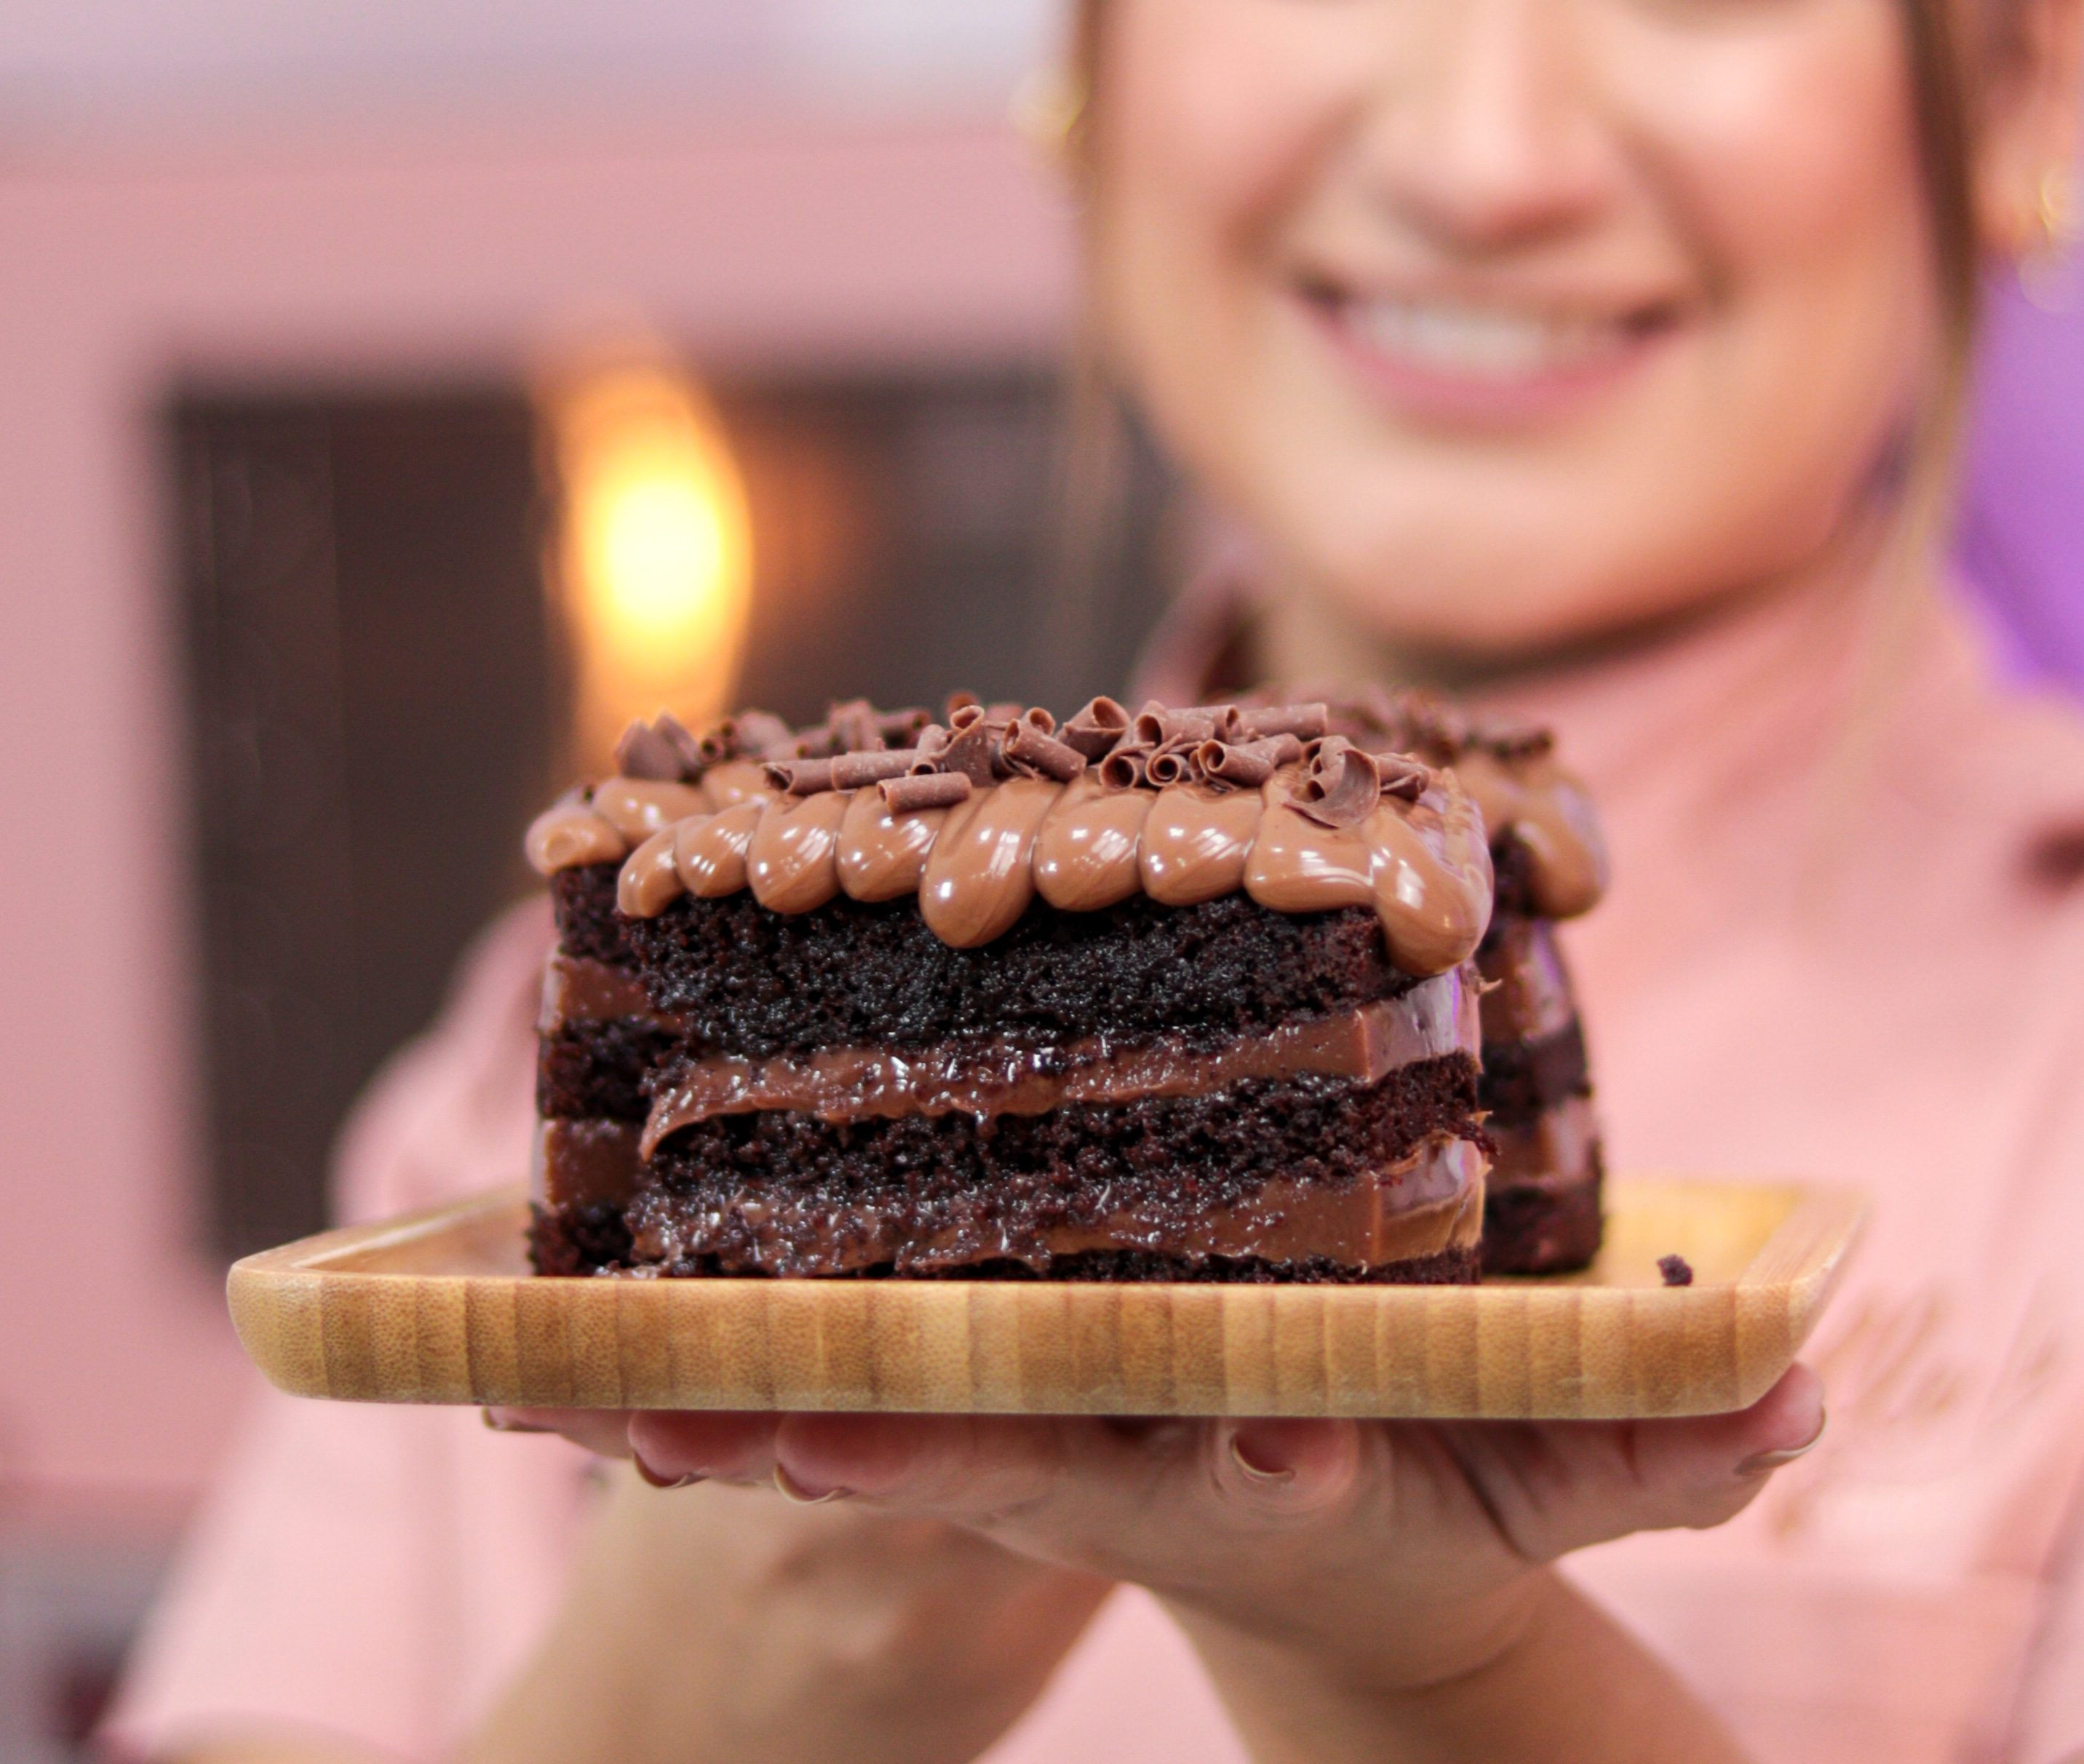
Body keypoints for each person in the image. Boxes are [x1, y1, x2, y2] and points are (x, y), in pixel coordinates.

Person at [106, 0, 2084, 1760]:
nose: (1490, 158)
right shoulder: (619, 1036)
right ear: (1083, 65)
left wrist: (1438, 1674)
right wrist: (737, 1669)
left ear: (2026, 85)